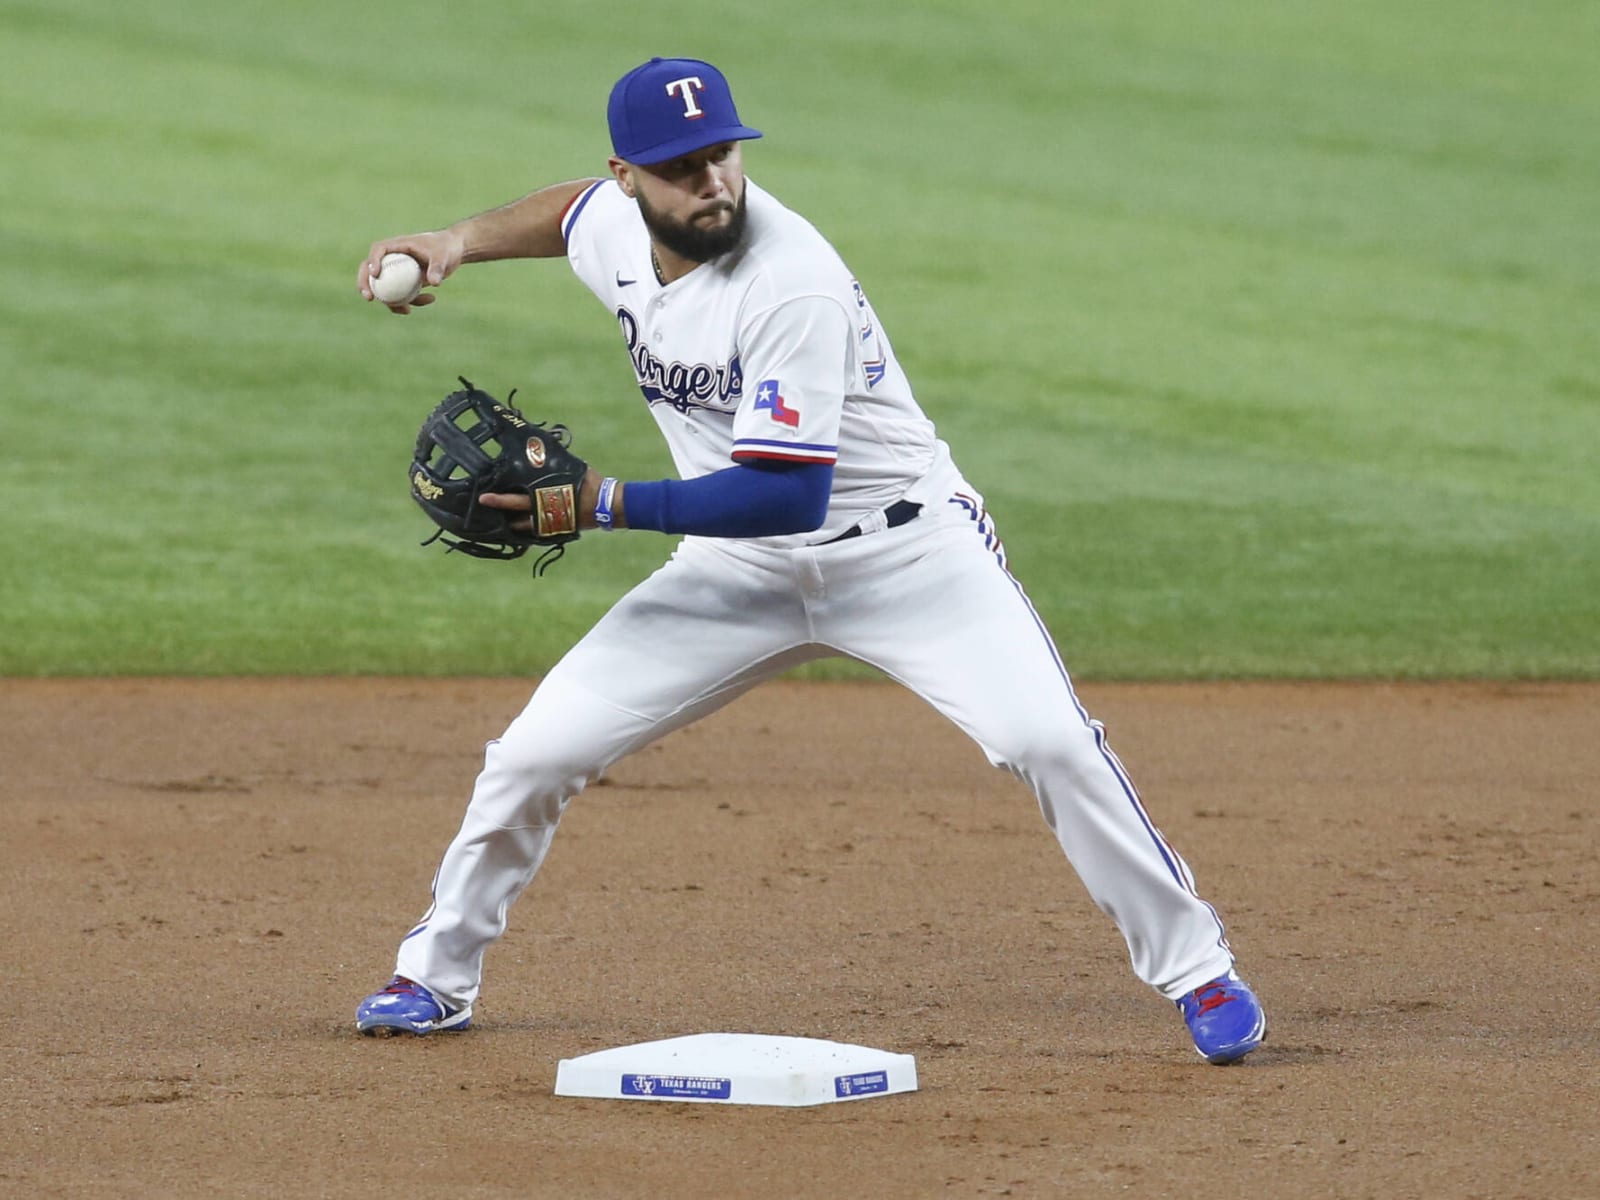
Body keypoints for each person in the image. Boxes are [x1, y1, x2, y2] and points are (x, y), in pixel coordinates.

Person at [352, 56, 1267, 1064]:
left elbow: (788, 492)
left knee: (1046, 742)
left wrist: (602, 504)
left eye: (721, 157)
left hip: (908, 559)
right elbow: (568, 213)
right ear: (629, 176)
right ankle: (433, 977)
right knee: (533, 755)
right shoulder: (614, 223)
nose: (712, 182)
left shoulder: (791, 284)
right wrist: (457, 241)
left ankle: (1200, 973)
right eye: (681, 168)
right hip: (735, 573)